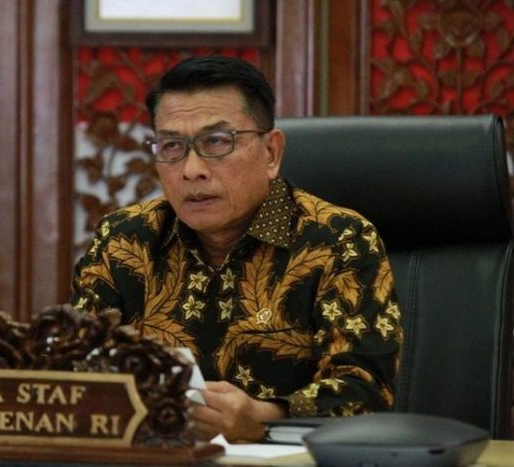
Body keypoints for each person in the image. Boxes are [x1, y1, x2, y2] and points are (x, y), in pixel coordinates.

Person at [71, 56, 402, 443]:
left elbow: (365, 393)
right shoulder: (124, 239)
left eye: (216, 142)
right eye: (172, 146)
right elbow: (73, 372)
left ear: (271, 153)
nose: (191, 169)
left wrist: (264, 420)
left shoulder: (338, 240)